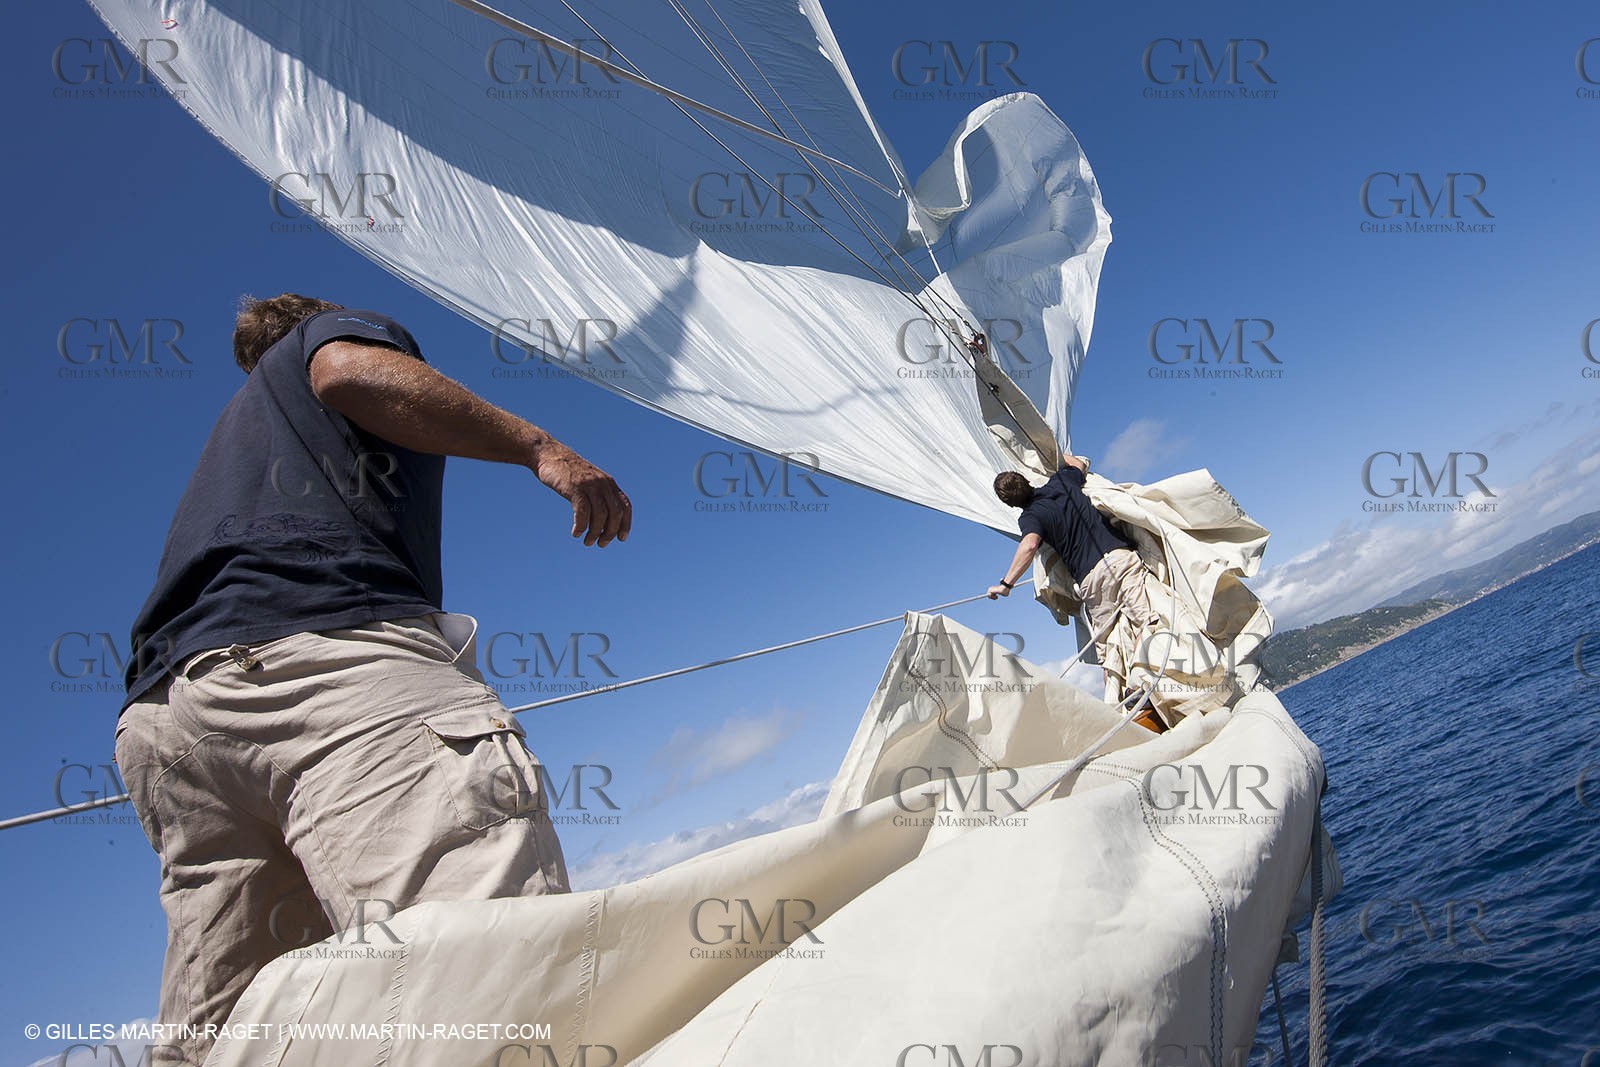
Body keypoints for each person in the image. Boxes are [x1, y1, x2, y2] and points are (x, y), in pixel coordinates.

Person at [114, 294, 630, 1066]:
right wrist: (539, 446)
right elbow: (345, 371)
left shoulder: (237, 432)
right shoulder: (314, 346)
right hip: (323, 664)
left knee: (235, 1031)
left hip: (168, 722)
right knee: (494, 963)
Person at [987, 453, 1161, 726]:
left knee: (1107, 646)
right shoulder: (1062, 483)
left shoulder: (1030, 517)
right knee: (1148, 620)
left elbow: (1030, 545)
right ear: (1027, 481)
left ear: (1009, 504)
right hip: (1120, 557)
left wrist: (1006, 584)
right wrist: (1051, 449)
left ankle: (1116, 707)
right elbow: (1078, 462)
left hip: (1091, 578)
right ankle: (1140, 684)